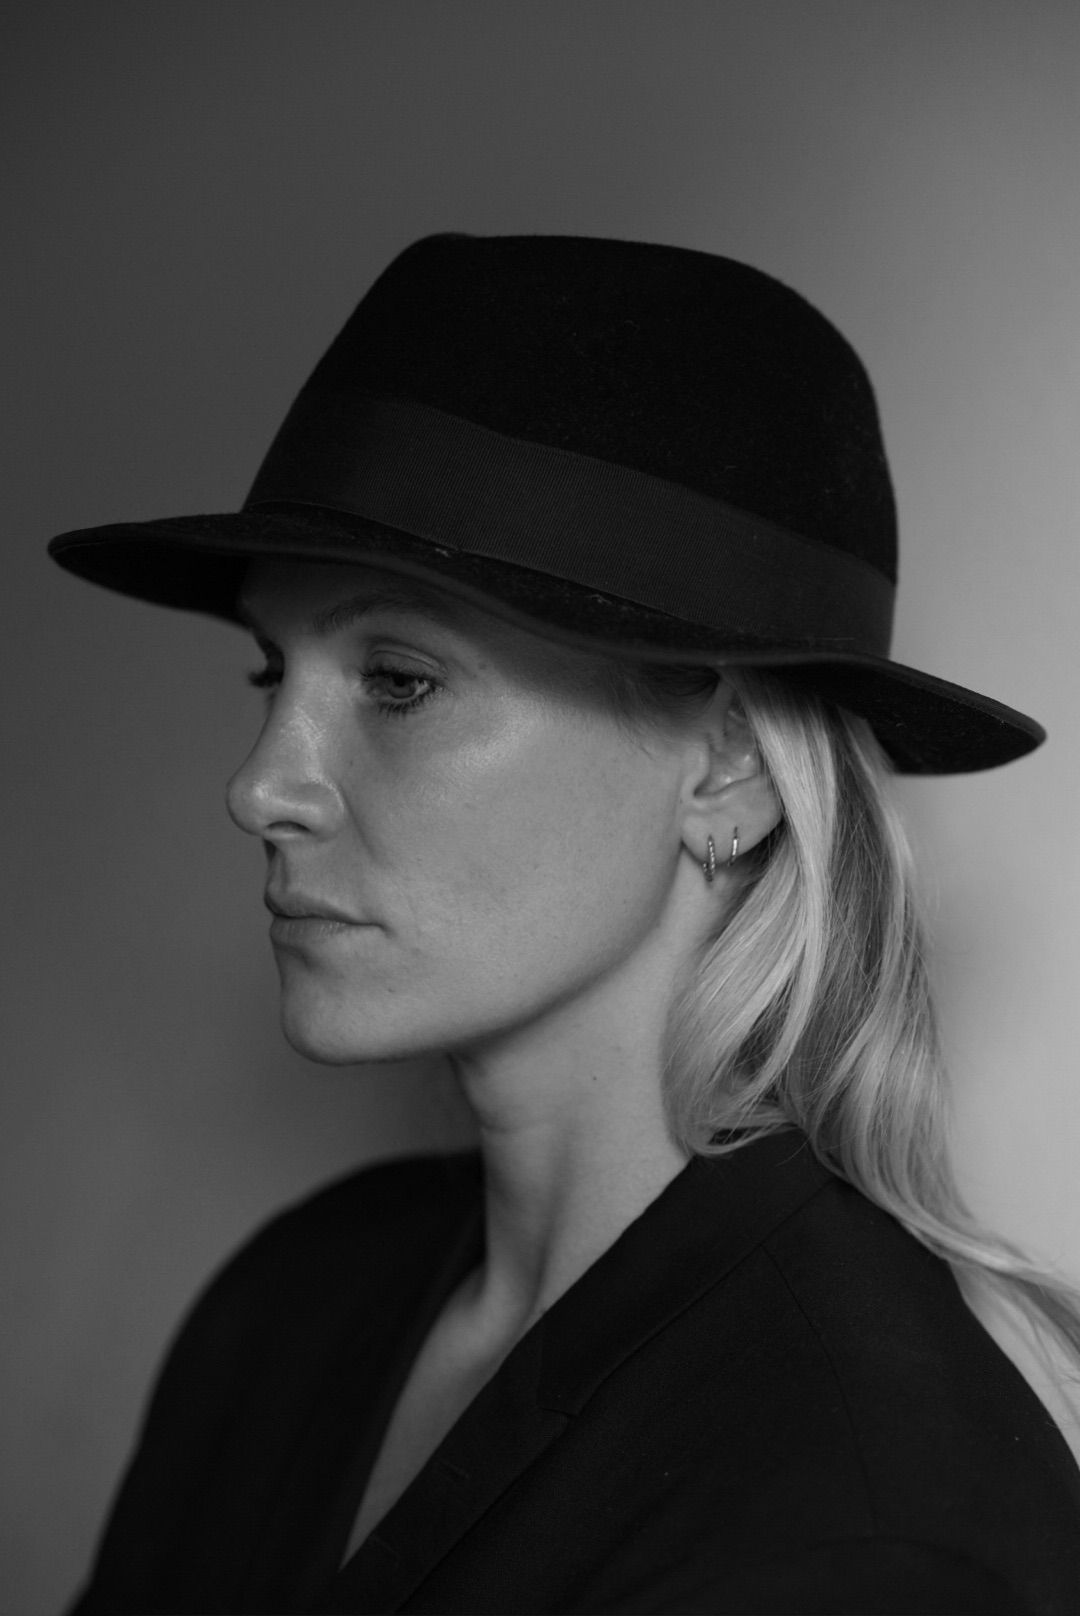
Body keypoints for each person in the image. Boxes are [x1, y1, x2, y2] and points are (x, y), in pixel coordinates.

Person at [49, 233, 1080, 1615]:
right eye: (269, 672)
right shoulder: (294, 1305)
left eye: (399, 681)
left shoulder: (868, 1523)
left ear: (728, 765)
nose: (260, 787)